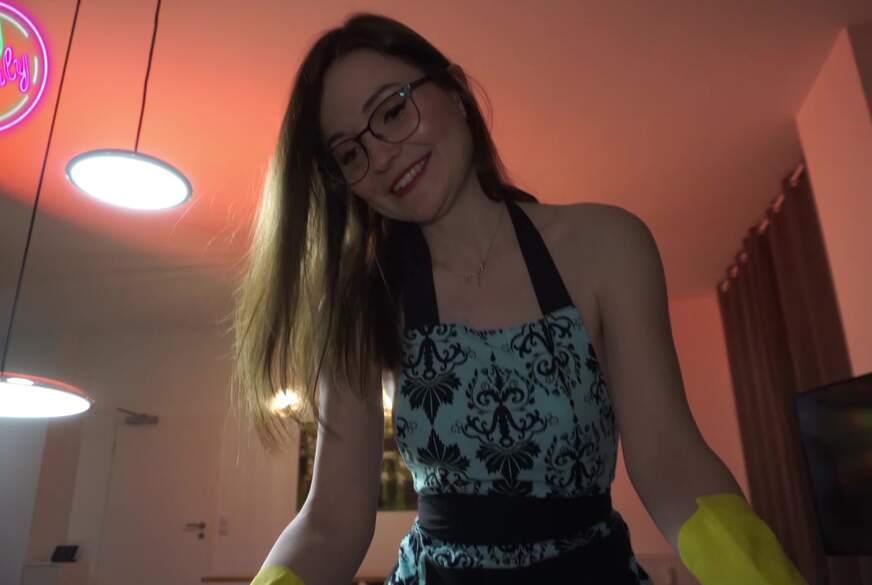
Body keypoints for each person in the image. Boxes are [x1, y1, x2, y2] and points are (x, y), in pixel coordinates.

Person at [231, 12, 808, 585]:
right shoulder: (362, 305)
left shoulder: (608, 246)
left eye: (392, 111)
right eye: (351, 154)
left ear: (455, 92)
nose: (380, 157)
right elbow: (332, 521)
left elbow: (671, 464)